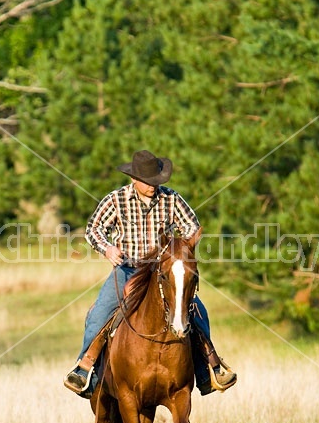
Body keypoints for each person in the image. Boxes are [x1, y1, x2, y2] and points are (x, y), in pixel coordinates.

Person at [64, 150, 237, 397]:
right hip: (129, 269)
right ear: (134, 179)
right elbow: (94, 229)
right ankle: (84, 371)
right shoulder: (117, 200)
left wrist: (180, 249)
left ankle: (209, 371)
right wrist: (108, 248)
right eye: (148, 181)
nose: (154, 186)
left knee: (197, 311)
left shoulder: (172, 199)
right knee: (101, 312)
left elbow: (192, 227)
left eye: (156, 181)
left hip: (161, 271)